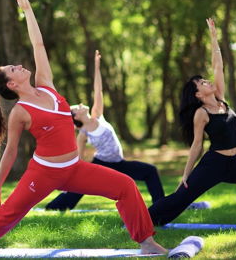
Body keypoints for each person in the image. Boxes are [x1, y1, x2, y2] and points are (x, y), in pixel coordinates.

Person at [0, 0, 167, 255]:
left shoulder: (46, 84)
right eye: (13, 68)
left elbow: (38, 44)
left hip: (74, 167)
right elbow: (11, 151)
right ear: (12, 84)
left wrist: (28, 11)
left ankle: (147, 243)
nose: (20, 65)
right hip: (43, 173)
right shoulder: (20, 112)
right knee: (7, 216)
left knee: (126, 185)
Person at [148, 18, 236, 227]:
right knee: (181, 198)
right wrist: (186, 174)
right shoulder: (201, 113)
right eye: (202, 83)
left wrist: (213, 36)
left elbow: (218, 65)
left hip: (232, 164)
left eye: (204, 80)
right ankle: (142, 220)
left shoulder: (221, 99)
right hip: (213, 165)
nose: (207, 81)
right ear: (198, 94)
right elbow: (197, 144)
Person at [46, 50, 165, 211]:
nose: (81, 105)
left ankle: (161, 205)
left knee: (150, 172)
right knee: (81, 185)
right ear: (76, 117)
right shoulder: (83, 134)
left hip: (119, 163)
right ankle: (53, 207)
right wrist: (72, 178)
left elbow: (98, 91)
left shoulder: (97, 115)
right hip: (102, 164)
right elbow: (78, 159)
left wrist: (96, 67)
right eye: (77, 108)